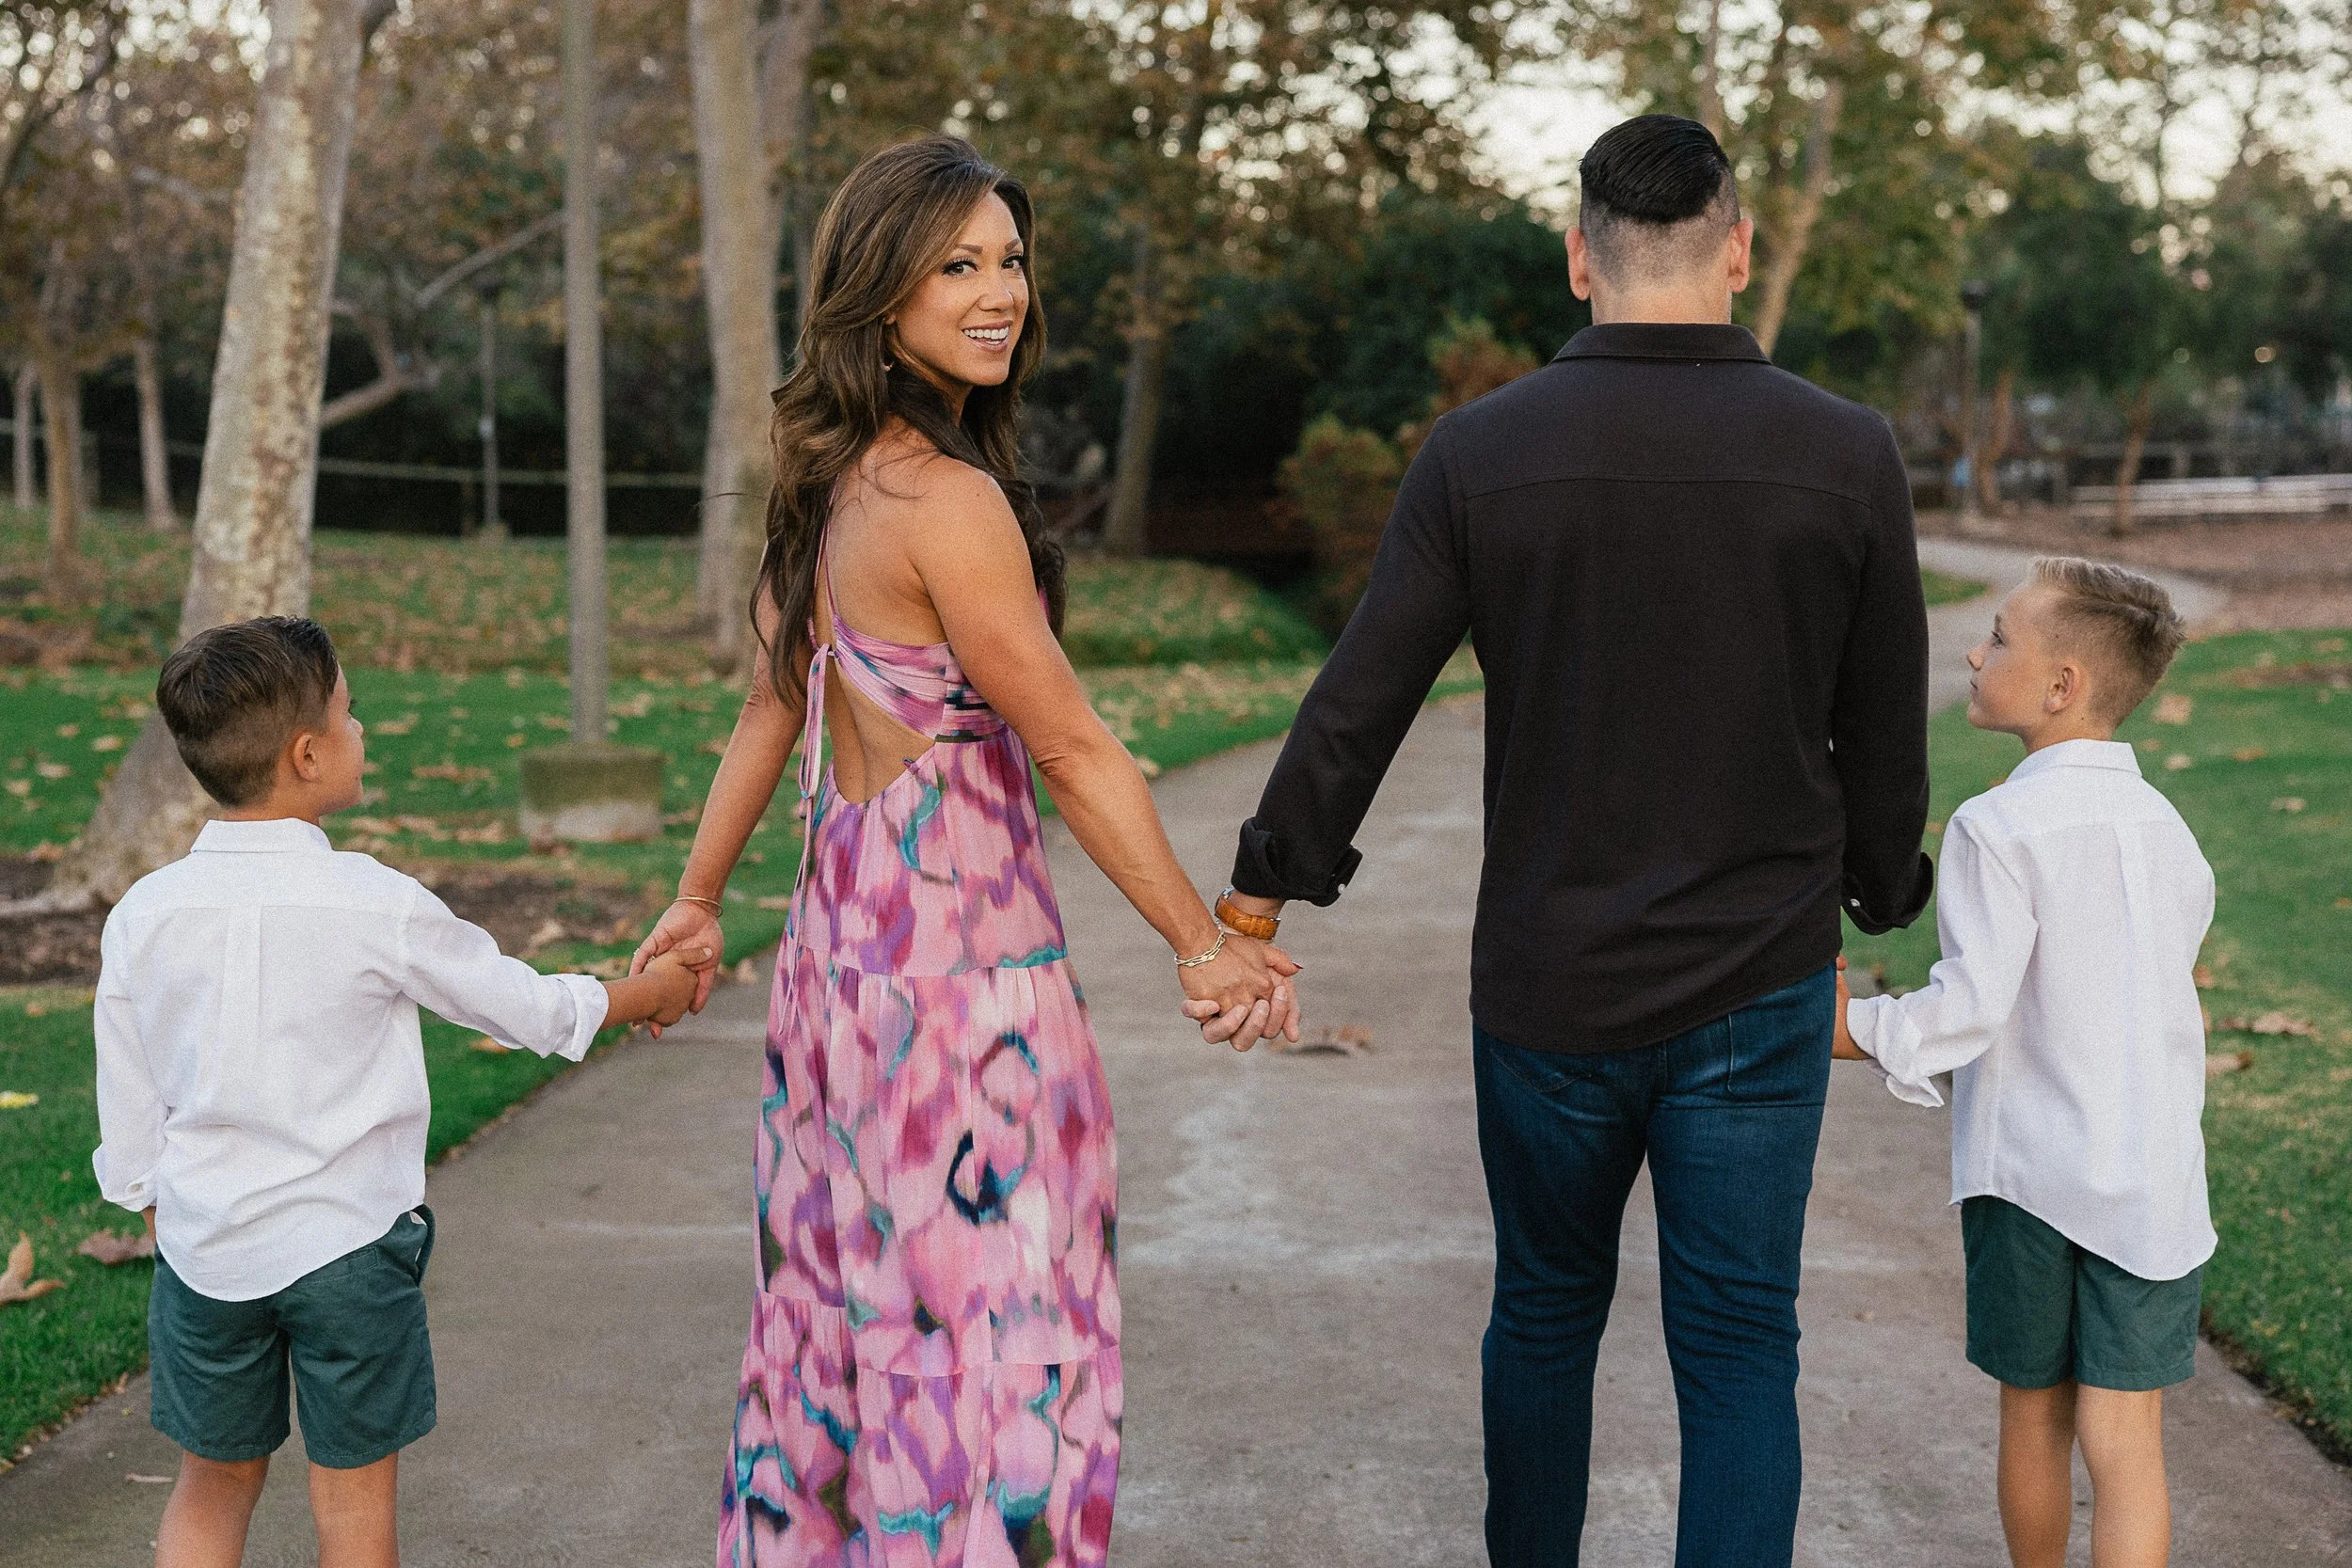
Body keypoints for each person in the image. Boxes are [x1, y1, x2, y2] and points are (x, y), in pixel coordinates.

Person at [1215, 114, 1934, 1566]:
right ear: (1737, 247)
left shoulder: (1484, 452)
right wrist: (1878, 883)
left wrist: (1259, 892)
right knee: (1741, 1343)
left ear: (1575, 257)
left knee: (1543, 1308)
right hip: (1758, 984)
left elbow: (1365, 690)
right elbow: (1886, 728)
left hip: (1549, 985)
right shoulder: (1847, 453)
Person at [626, 135, 1299, 1568]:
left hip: (837, 975)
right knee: (989, 1327)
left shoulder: (829, 480)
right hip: (962, 998)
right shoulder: (944, 499)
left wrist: (699, 902)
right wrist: (1204, 942)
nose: (1000, 292)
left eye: (1010, 259)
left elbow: (767, 700)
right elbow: (1071, 746)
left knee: (842, 1313)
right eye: (959, 265)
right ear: (881, 289)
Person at [90, 615, 704, 1568]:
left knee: (210, 1481)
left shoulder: (142, 916)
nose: (362, 729)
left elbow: (128, 1114)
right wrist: (650, 993)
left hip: (204, 1256)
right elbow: (525, 1011)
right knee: (352, 1499)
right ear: (306, 753)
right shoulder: (373, 901)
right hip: (347, 1253)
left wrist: (159, 1202)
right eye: (350, 712)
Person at [1836, 559, 2209, 1568]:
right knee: (2127, 1443)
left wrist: (1856, 1027)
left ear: (2061, 686)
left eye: (1997, 636)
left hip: (2034, 1177)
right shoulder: (2168, 830)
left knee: (2033, 1417)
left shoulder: (1994, 825)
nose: (1972, 649)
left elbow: (1969, 1006)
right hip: (2152, 1180)